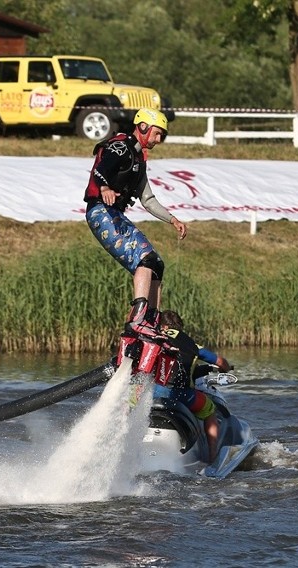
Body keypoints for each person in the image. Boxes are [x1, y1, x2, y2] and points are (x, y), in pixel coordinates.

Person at [82, 108, 188, 337]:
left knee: (157, 265)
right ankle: (139, 319)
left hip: (114, 215)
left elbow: (148, 200)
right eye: (157, 134)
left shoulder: (138, 159)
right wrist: (105, 188)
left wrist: (172, 220)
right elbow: (100, 170)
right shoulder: (121, 147)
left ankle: (152, 322)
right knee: (145, 259)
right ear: (143, 127)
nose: (159, 140)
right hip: (100, 212)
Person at [158, 310, 233, 464]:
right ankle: (213, 459)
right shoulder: (192, 345)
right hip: (181, 395)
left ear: (162, 326)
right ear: (179, 327)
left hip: (153, 392)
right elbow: (220, 362)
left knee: (129, 404)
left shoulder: (153, 338)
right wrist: (225, 368)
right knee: (210, 409)